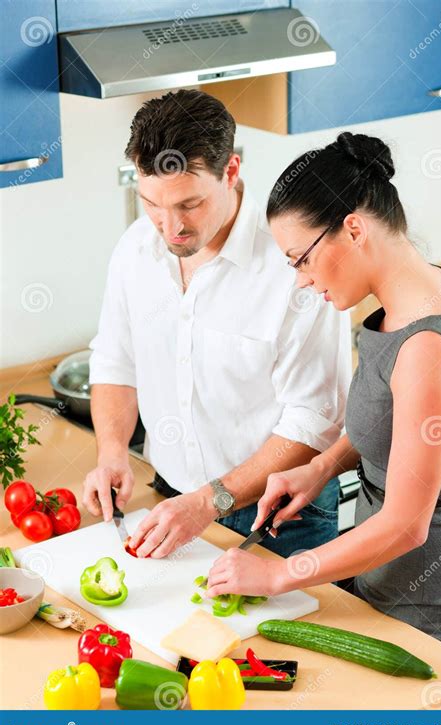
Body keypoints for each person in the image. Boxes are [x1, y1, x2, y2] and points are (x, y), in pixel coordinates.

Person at [206, 132, 441, 656]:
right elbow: (405, 423)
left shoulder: (427, 348)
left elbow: (404, 526)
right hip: (388, 595)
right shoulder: (435, 288)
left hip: (433, 621)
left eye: (300, 259)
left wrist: (279, 574)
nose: (301, 280)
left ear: (353, 229)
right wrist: (323, 466)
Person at [82, 90, 352, 559]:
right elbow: (115, 362)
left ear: (231, 171)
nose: (170, 227)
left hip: (281, 515)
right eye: (151, 204)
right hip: (174, 497)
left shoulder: (294, 262)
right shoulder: (134, 249)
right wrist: (112, 453)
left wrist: (211, 501)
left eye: (189, 204)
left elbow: (315, 420)